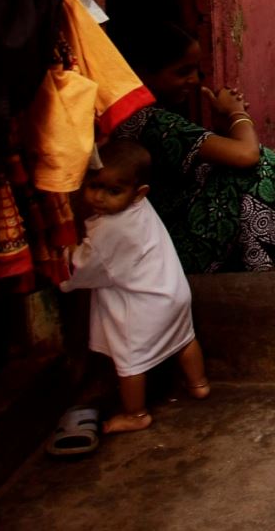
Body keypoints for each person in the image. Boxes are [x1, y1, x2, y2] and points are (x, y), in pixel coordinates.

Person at [107, 22, 275, 273]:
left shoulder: (138, 117)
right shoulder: (153, 123)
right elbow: (247, 155)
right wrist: (236, 113)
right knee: (261, 165)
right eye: (182, 72)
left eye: (195, 71)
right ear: (143, 73)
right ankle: (260, 263)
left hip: (162, 233)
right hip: (172, 246)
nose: (193, 80)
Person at [59, 140, 209, 434]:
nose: (99, 197)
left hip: (143, 307)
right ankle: (199, 384)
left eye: (113, 191)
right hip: (172, 292)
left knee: (130, 361)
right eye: (94, 186)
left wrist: (65, 255)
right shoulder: (138, 207)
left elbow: (85, 267)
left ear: (139, 193)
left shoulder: (111, 228)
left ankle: (136, 414)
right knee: (184, 339)